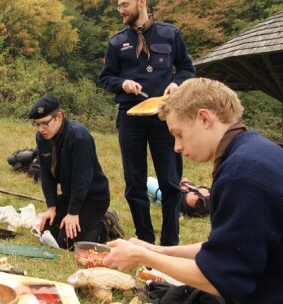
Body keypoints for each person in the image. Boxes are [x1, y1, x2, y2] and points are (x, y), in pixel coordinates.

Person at [102, 78, 283, 303]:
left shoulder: (242, 174)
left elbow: (222, 278)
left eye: (178, 133)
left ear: (204, 118)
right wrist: (160, 251)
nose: (176, 146)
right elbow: (228, 248)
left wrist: (142, 255)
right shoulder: (252, 152)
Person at [98, 0, 195, 245]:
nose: (120, 10)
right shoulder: (117, 42)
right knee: (134, 183)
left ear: (141, 2)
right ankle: (145, 239)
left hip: (165, 117)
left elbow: (187, 69)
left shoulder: (170, 33)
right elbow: (106, 77)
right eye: (118, 5)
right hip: (130, 116)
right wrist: (123, 84)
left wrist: (177, 83)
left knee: (171, 182)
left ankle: (170, 242)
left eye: (124, 4)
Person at [29, 95, 111, 250]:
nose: (41, 129)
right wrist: (51, 207)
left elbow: (83, 178)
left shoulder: (78, 136)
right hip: (70, 195)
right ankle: (79, 220)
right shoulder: (41, 138)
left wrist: (73, 213)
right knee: (46, 232)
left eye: (44, 124)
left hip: (93, 197)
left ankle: (104, 225)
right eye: (37, 124)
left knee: (68, 243)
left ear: (59, 116)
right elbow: (46, 175)